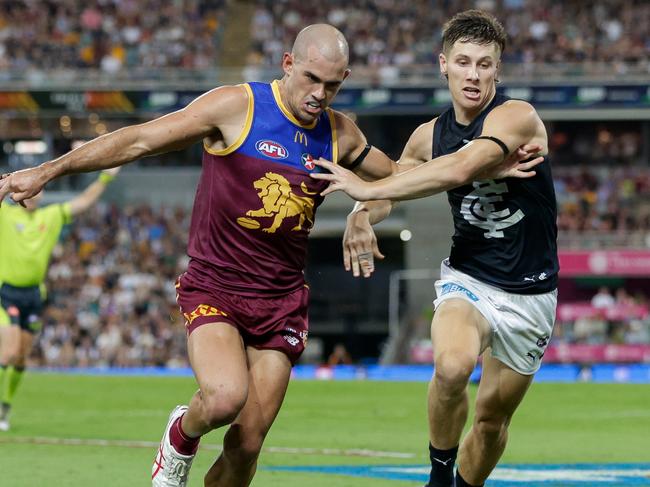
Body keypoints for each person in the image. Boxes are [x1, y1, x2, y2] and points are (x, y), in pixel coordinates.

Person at [0, 23, 539, 487]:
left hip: (281, 298)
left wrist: (484, 166)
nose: (318, 94)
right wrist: (47, 171)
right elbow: (141, 139)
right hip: (217, 285)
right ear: (288, 63)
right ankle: (179, 434)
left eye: (331, 85)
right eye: (310, 78)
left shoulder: (339, 132)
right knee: (225, 397)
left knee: (249, 443)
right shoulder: (237, 106)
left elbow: (399, 177)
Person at [311, 10, 558, 487]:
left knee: (490, 420)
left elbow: (462, 167)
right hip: (469, 278)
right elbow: (393, 186)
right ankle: (439, 477)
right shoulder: (427, 136)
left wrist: (364, 190)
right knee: (450, 367)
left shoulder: (517, 116)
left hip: (531, 295)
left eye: (485, 64)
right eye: (463, 61)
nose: (473, 74)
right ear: (442, 64)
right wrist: (362, 213)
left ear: (498, 70)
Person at [0, 167, 120, 431]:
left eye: (38, 190)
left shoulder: (51, 217)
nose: (35, 194)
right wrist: (6, 184)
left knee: (20, 358)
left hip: (33, 295)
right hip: (5, 291)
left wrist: (105, 176)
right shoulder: (5, 215)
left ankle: (5, 407)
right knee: (7, 354)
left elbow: (84, 201)